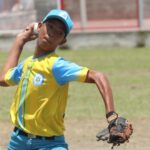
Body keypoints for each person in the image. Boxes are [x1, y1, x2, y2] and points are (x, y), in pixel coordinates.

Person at [0, 9, 118, 150]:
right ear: (40, 27)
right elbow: (3, 79)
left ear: (63, 41)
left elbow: (99, 76)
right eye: (50, 26)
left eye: (59, 32)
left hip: (50, 144)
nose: (52, 33)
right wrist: (20, 40)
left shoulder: (57, 65)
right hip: (18, 142)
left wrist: (112, 116)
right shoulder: (27, 64)